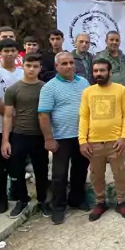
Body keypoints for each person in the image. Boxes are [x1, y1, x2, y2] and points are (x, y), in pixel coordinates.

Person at [38, 51, 90, 225]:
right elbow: (43, 115)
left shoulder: (83, 83)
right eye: (64, 64)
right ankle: (58, 207)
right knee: (59, 175)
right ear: (57, 66)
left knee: (80, 170)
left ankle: (76, 199)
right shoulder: (49, 87)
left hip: (82, 136)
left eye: (71, 63)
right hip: (61, 138)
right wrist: (49, 139)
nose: (69, 66)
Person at [79, 59, 125, 221]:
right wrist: (82, 140)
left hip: (115, 141)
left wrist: (123, 137)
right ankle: (100, 202)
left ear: (110, 72)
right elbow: (84, 116)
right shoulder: (88, 92)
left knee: (120, 173)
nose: (99, 74)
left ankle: (121, 201)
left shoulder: (121, 90)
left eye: (102, 70)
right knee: (96, 174)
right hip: (94, 142)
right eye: (96, 71)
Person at [1, 54, 49, 219]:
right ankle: (22, 200)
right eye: (28, 65)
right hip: (20, 134)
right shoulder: (13, 89)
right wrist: (5, 140)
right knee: (17, 169)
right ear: (23, 66)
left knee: (41, 170)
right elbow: (7, 116)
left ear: (40, 68)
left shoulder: (46, 87)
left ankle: (43, 200)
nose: (31, 69)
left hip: (39, 135)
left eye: (35, 66)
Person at [0, 38, 24, 213]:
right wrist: (10, 119)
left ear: (17, 53)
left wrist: (19, 120)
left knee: (18, 161)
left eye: (13, 50)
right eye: (6, 51)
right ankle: (2, 196)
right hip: (2, 125)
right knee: (1, 163)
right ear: (0, 53)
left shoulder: (23, 72)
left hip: (21, 125)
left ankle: (18, 194)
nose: (9, 54)